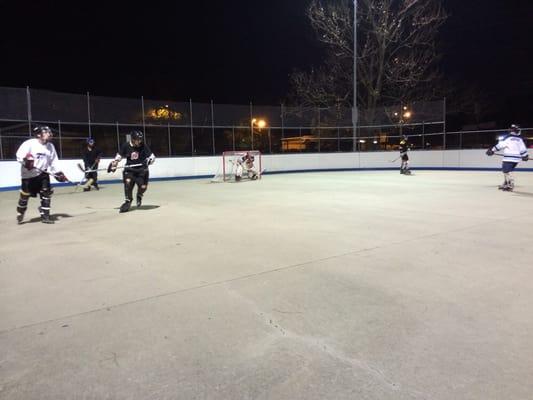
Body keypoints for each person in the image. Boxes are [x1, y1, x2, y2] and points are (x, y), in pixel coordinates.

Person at [15, 125, 69, 224]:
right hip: (28, 175)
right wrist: (26, 162)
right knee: (24, 197)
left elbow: (54, 161)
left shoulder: (50, 146)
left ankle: (45, 216)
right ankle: (21, 212)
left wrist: (58, 173)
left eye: (49, 132)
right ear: (39, 134)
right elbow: (19, 156)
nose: (49, 134)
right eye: (46, 132)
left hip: (43, 174)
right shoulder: (29, 144)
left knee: (46, 193)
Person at [109, 130, 155, 213]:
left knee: (143, 187)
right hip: (129, 170)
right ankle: (128, 201)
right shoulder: (126, 145)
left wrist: (149, 161)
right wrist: (115, 163)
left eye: (140, 139)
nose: (140, 141)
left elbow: (152, 157)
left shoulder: (143, 146)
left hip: (141, 170)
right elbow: (119, 155)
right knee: (128, 184)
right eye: (138, 139)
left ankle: (139, 195)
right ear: (133, 139)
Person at [486, 124, 529, 191]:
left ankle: (510, 184)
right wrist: (525, 156)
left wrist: (492, 150)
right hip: (516, 159)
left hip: (508, 157)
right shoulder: (520, 139)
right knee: (507, 171)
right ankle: (506, 183)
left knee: (506, 171)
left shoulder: (508, 137)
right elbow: (523, 149)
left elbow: (500, 145)